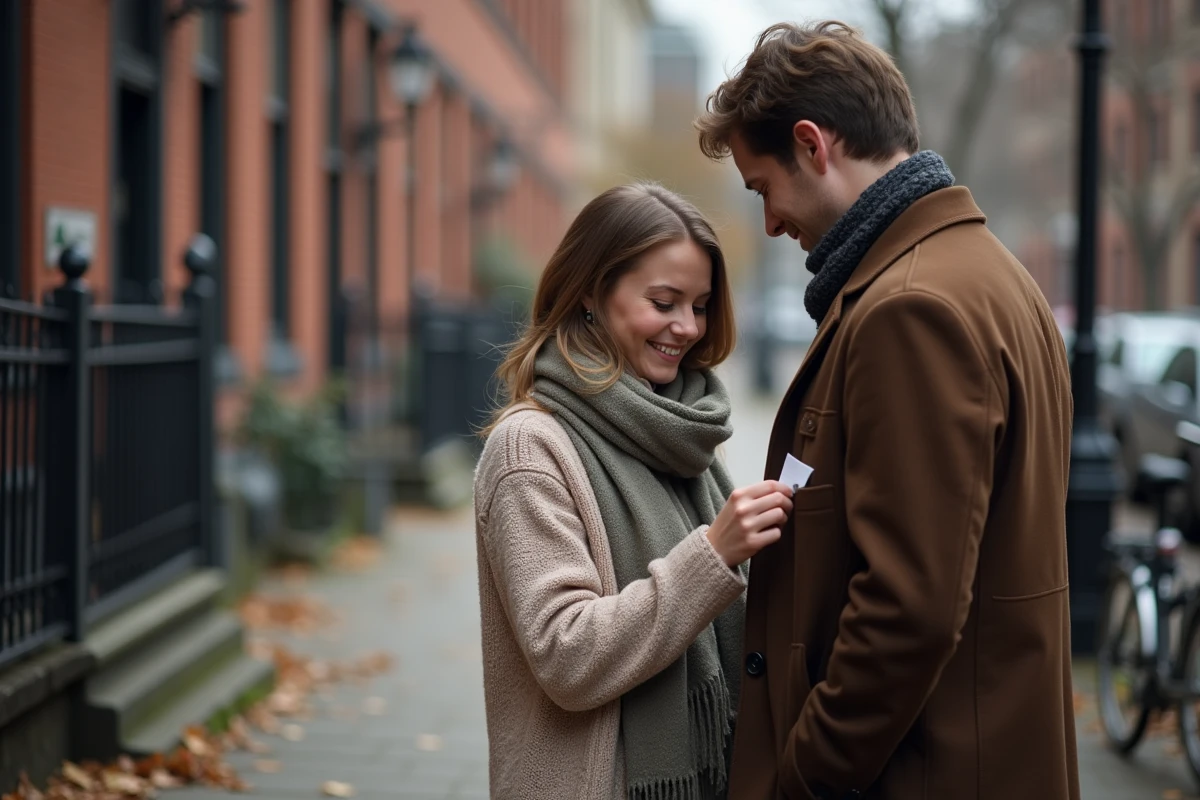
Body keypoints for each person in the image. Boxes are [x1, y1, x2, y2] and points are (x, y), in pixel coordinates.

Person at [693, 21, 1078, 800]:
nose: (769, 222)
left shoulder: (910, 308)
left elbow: (907, 612)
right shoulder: (990, 275)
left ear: (812, 144)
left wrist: (799, 779)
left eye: (761, 186)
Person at [473, 182, 794, 800]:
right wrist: (712, 557)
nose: (687, 327)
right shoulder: (530, 450)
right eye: (664, 301)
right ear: (592, 293)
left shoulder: (677, 432)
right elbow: (566, 655)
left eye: (700, 305)